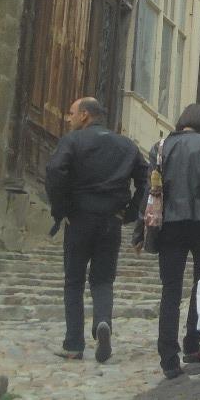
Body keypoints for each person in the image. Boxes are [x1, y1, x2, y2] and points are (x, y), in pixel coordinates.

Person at [44, 95, 147, 364]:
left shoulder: (73, 141)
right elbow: (146, 177)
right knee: (102, 279)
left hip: (79, 217)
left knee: (74, 280)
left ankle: (74, 344)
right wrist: (132, 211)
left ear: (85, 116)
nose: (69, 118)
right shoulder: (126, 145)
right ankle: (103, 322)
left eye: (71, 113)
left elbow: (55, 170)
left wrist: (61, 208)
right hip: (111, 219)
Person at [138, 102, 200, 380]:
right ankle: (192, 343)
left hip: (169, 225)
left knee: (170, 289)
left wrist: (138, 231)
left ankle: (168, 358)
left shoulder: (161, 147)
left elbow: (150, 191)